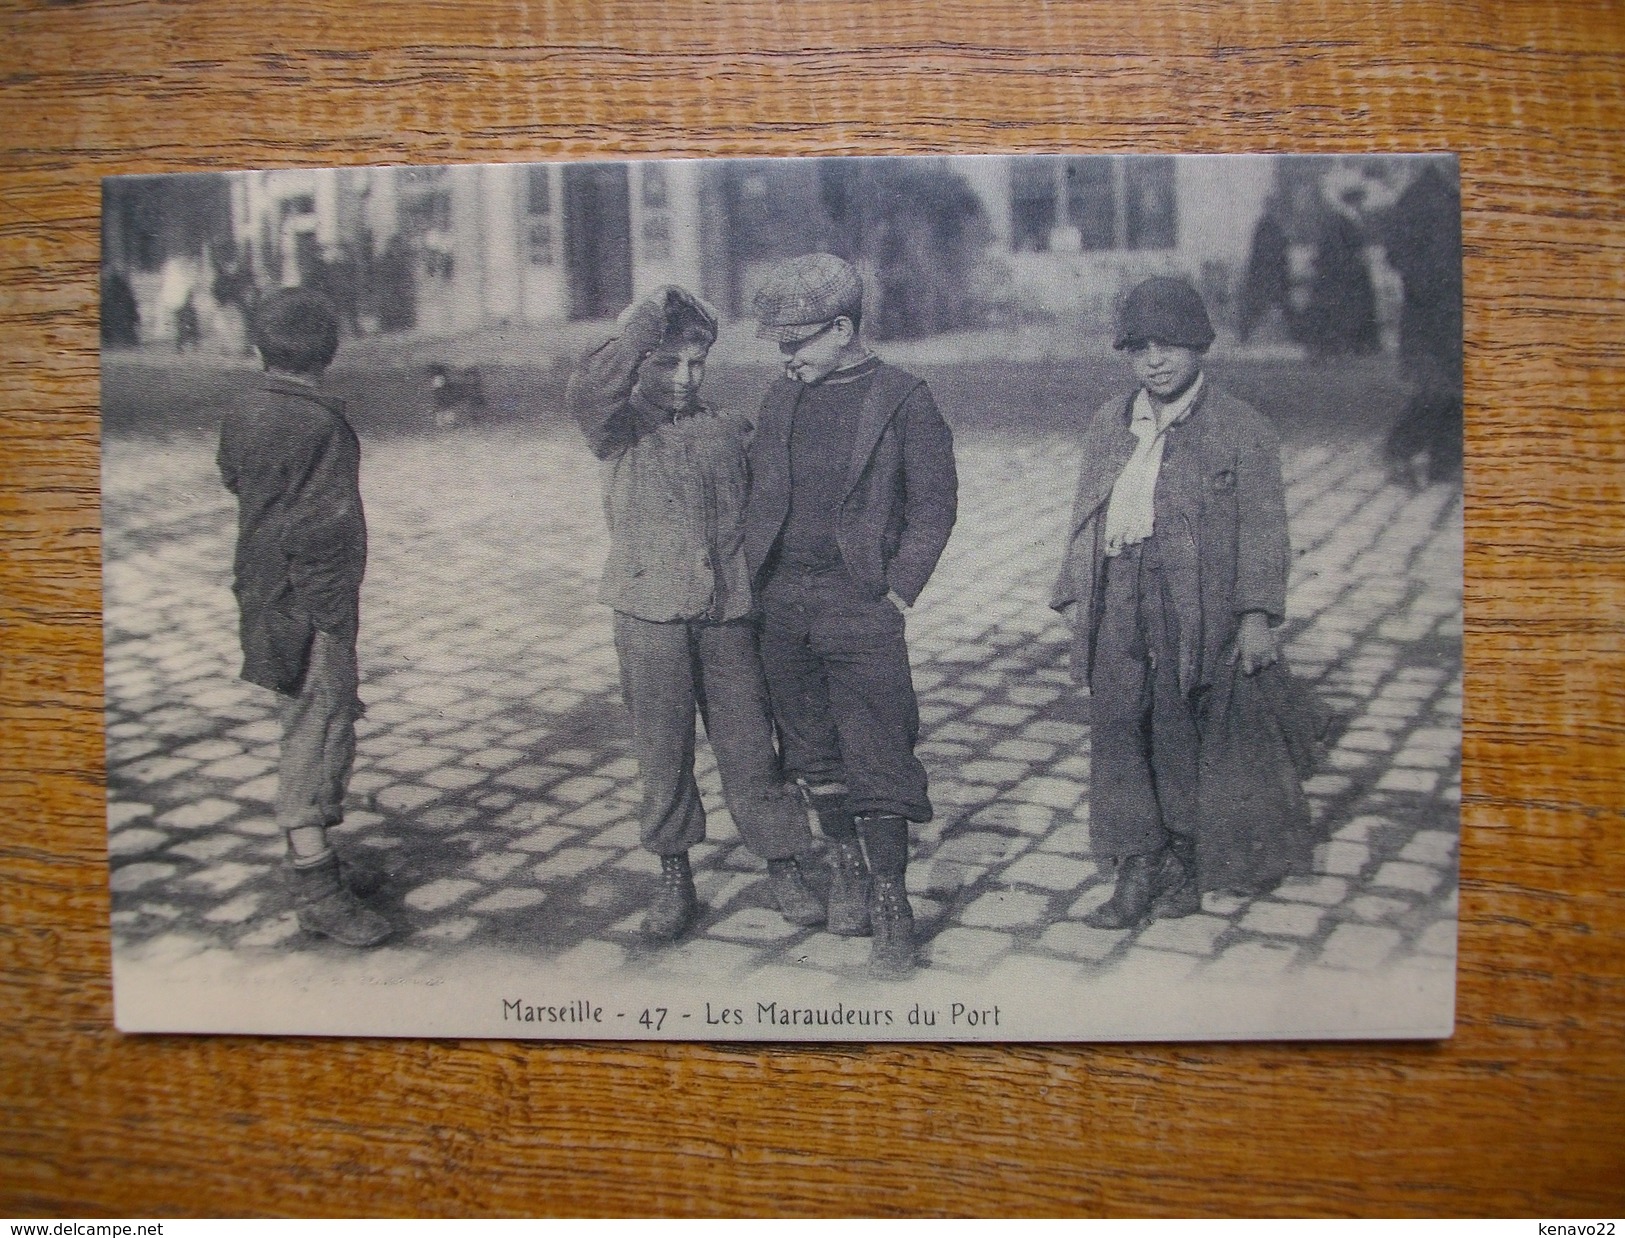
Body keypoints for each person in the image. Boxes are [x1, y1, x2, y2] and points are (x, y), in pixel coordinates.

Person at [1051, 276, 1322, 929]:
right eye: (1138, 347)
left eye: (1169, 344)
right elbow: (1086, 511)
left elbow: (1263, 531)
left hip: (1192, 600)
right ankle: (1134, 861)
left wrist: (1255, 616)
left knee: (1176, 725)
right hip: (1118, 588)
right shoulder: (1109, 422)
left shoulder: (1240, 429)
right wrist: (1071, 594)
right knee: (1117, 724)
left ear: (1199, 344)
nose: (1154, 359)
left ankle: (1182, 854)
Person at [566, 285, 824, 944]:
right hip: (649, 614)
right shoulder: (619, 429)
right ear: (642, 363)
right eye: (665, 365)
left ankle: (783, 863)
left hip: (727, 615)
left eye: (695, 364)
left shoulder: (726, 428)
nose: (682, 379)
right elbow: (591, 388)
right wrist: (642, 328)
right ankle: (673, 874)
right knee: (662, 751)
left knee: (750, 749)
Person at [744, 253, 959, 979]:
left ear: (841, 328)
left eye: (795, 342)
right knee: (810, 748)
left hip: (857, 604)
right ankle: (846, 871)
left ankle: (893, 902)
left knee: (879, 749)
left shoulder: (901, 399)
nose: (785, 357)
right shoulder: (781, 398)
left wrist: (897, 587)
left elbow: (934, 505)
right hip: (782, 604)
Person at [217, 288, 390, 947]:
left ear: (259, 347)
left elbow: (232, 476)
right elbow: (327, 528)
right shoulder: (321, 423)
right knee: (317, 731)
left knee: (307, 721)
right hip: (310, 603)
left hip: (261, 591)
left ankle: (319, 858)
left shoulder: (242, 409)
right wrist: (332, 618)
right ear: (330, 351)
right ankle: (315, 886)